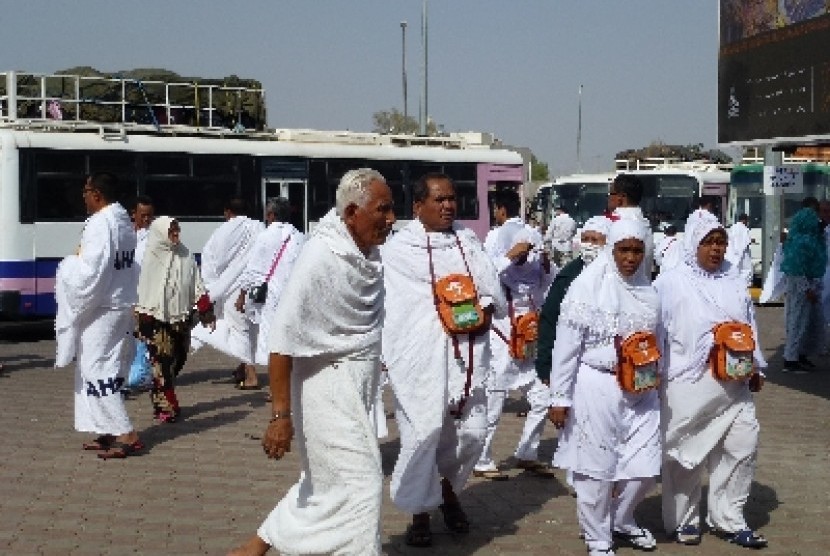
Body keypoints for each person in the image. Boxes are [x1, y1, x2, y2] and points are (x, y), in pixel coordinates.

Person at [227, 168, 395, 556]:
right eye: (382, 211)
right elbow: (282, 342)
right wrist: (279, 417)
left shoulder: (367, 257)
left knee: (325, 483)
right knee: (363, 485)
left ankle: (253, 548)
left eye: (391, 210)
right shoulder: (321, 257)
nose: (390, 220)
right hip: (325, 390)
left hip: (356, 390)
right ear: (352, 212)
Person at [382, 173, 506, 547]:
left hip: (469, 357)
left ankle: (448, 490)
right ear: (418, 206)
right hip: (419, 359)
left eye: (452, 199)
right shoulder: (398, 249)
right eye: (439, 200)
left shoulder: (467, 241)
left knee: (471, 434)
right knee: (422, 435)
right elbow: (390, 304)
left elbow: (490, 290)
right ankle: (420, 513)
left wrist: (485, 311)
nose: (448, 206)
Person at [654, 210, 768, 549]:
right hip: (687, 388)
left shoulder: (733, 280)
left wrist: (756, 366)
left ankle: (729, 519)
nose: (716, 250)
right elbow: (657, 335)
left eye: (721, 242)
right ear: (693, 243)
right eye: (708, 242)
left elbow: (749, 326)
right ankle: (684, 520)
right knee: (686, 456)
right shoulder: (669, 283)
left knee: (742, 446)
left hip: (734, 385)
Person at [548, 219, 661, 556]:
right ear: (611, 250)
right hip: (596, 385)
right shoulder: (586, 290)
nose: (630, 257)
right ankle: (598, 538)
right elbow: (566, 348)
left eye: (637, 250)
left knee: (645, 467)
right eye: (623, 249)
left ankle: (622, 520)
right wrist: (559, 397)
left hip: (641, 387)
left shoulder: (649, 293)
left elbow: (659, 343)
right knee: (595, 469)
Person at [54, 172, 143, 459]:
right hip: (119, 304)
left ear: (97, 194)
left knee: (96, 369)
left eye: (85, 191)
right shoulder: (122, 222)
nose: (83, 196)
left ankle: (125, 432)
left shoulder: (101, 223)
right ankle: (105, 428)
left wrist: (67, 267)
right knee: (106, 366)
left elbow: (92, 271)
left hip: (104, 308)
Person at [474, 189, 555, 481]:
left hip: (529, 329)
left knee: (543, 395)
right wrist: (512, 256)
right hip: (502, 331)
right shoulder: (497, 239)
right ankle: (481, 457)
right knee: (495, 395)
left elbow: (549, 282)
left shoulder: (533, 239)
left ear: (500, 209)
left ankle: (527, 452)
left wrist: (544, 264)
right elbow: (483, 275)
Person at [135, 217, 216, 423]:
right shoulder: (148, 255)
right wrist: (141, 317)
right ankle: (167, 405)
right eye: (171, 230)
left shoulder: (186, 254)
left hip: (181, 318)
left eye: (177, 230)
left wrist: (206, 312)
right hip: (154, 319)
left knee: (178, 359)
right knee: (163, 361)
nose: (176, 234)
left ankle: (160, 392)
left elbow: (197, 285)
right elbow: (138, 289)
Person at [192, 198, 263, 389]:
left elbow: (211, 259)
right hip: (254, 287)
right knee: (251, 329)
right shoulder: (259, 228)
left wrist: (214, 285)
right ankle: (242, 368)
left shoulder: (223, 232)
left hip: (234, 289)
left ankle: (251, 375)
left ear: (227, 212)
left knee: (239, 330)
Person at [535, 215, 610, 388]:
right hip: (572, 366)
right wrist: (545, 365)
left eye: (595, 240)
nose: (589, 245)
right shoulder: (569, 275)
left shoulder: (618, 277)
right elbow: (549, 319)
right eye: (586, 239)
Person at [234, 197, 304, 367]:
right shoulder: (300, 237)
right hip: (294, 296)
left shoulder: (265, 237)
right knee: (289, 340)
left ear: (271, 215)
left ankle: (276, 390)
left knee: (270, 341)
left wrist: (242, 295)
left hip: (271, 298)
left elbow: (253, 269)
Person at [780, 206, 827, 372]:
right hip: (802, 288)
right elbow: (797, 270)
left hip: (802, 287)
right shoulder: (803, 242)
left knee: (803, 322)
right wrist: (808, 290)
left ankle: (799, 355)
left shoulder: (798, 239)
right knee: (798, 323)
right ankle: (791, 359)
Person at [609, 174, 654, 275]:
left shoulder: (614, 223)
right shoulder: (645, 224)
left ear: (621, 197)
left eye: (611, 193)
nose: (609, 197)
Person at [726, 213, 753, 286]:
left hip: (733, 252)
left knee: (735, 268)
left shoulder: (733, 227)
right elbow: (747, 240)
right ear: (745, 220)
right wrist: (751, 240)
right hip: (743, 252)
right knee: (746, 269)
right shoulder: (745, 229)